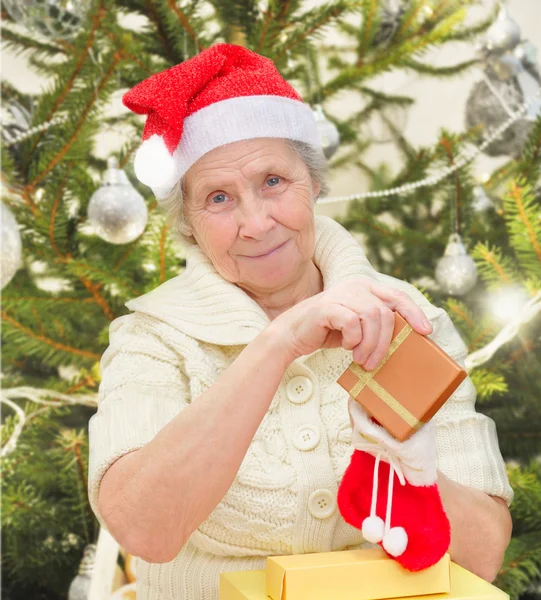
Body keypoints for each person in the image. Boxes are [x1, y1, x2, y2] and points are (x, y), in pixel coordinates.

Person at [88, 44, 513, 600]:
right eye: (219, 198)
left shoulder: (404, 315)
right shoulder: (154, 337)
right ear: (189, 225)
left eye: (273, 182)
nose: (256, 223)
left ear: (313, 184)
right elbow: (144, 528)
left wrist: (422, 474)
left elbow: (483, 556)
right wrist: (281, 341)